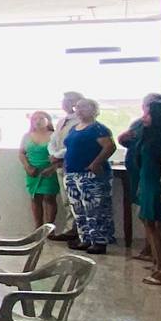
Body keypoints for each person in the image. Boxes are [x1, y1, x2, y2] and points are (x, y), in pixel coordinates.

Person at [60, 97, 118, 253]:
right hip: (72, 174)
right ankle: (85, 238)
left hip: (90, 175)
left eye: (84, 107)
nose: (79, 110)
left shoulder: (98, 129)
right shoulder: (74, 128)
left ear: (94, 110)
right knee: (78, 209)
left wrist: (96, 163)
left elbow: (109, 147)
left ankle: (99, 241)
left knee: (95, 209)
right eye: (77, 107)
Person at [117, 94, 160, 260]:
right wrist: (123, 138)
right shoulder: (138, 123)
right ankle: (150, 249)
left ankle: (156, 254)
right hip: (137, 173)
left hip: (151, 174)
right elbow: (128, 141)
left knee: (152, 216)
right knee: (143, 214)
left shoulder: (158, 126)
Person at [137, 98, 161, 286]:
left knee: (160, 224)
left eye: (147, 113)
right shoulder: (147, 134)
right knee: (148, 221)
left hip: (157, 183)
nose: (144, 117)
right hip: (146, 181)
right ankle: (157, 262)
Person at [48, 90, 83, 244]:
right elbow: (54, 140)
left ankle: (77, 231)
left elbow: (74, 144)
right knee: (66, 199)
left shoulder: (80, 121)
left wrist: (59, 155)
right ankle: (70, 229)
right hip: (60, 163)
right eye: (64, 100)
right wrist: (53, 154)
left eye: (69, 100)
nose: (65, 103)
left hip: (73, 162)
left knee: (76, 199)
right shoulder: (62, 121)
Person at [20, 112, 60, 231]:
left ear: (48, 120)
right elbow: (21, 153)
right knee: (35, 198)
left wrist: (52, 168)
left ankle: (49, 229)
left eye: (41, 118)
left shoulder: (54, 136)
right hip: (32, 172)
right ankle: (38, 228)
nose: (38, 121)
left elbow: (61, 154)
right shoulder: (27, 136)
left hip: (50, 171)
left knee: (49, 198)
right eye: (35, 119)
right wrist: (27, 167)